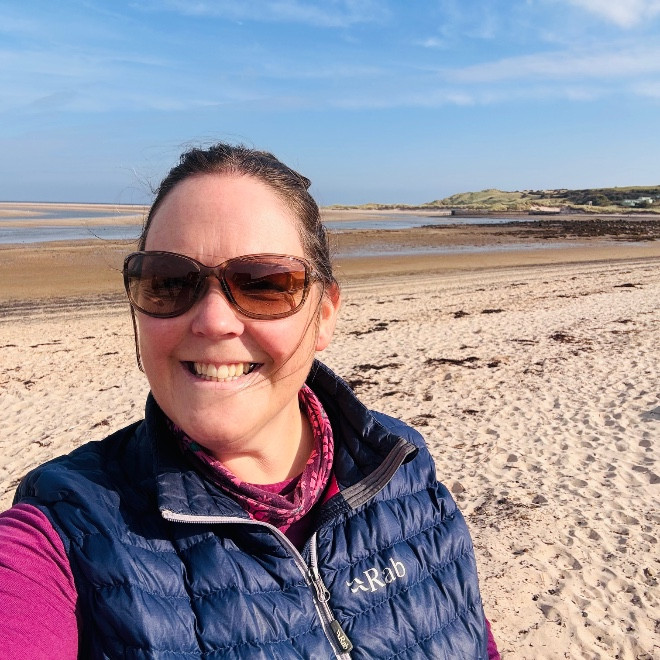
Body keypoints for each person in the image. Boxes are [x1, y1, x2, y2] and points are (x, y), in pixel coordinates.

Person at [0, 143, 500, 658]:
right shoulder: (66, 527)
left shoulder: (400, 465)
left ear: (324, 315)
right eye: (168, 282)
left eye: (264, 284)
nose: (213, 321)